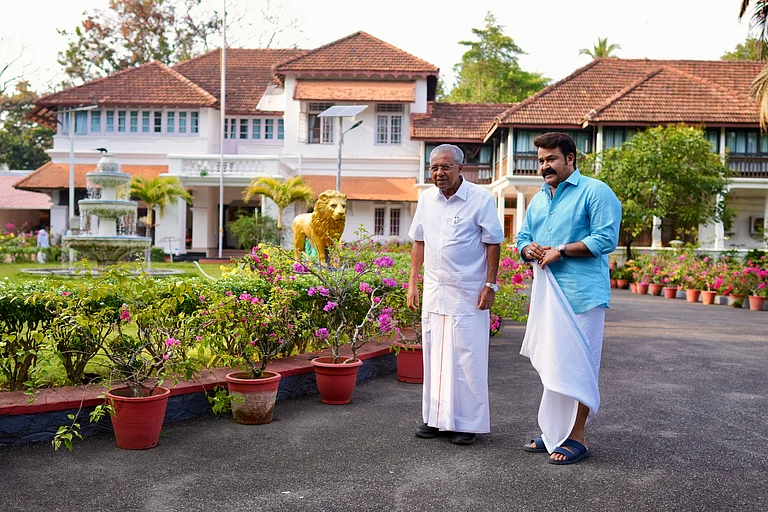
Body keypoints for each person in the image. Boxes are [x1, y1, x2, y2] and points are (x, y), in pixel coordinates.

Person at [517, 132, 622, 465]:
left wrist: (560, 250)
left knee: (579, 366)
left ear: (570, 159)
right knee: (554, 364)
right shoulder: (539, 199)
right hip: (548, 295)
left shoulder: (595, 191)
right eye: (541, 161)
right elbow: (523, 236)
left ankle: (577, 437)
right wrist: (527, 249)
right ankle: (554, 433)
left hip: (581, 295)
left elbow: (605, 238)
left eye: (551, 159)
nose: (544, 166)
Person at [407, 144, 504, 446]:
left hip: (469, 293)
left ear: (461, 168)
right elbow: (419, 242)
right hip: (435, 291)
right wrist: (412, 283)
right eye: (434, 167)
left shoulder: (481, 198)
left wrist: (490, 285)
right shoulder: (426, 199)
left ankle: (467, 424)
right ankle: (435, 419)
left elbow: (493, 243)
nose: (439, 173)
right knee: (435, 356)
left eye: (446, 167)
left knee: (467, 357)